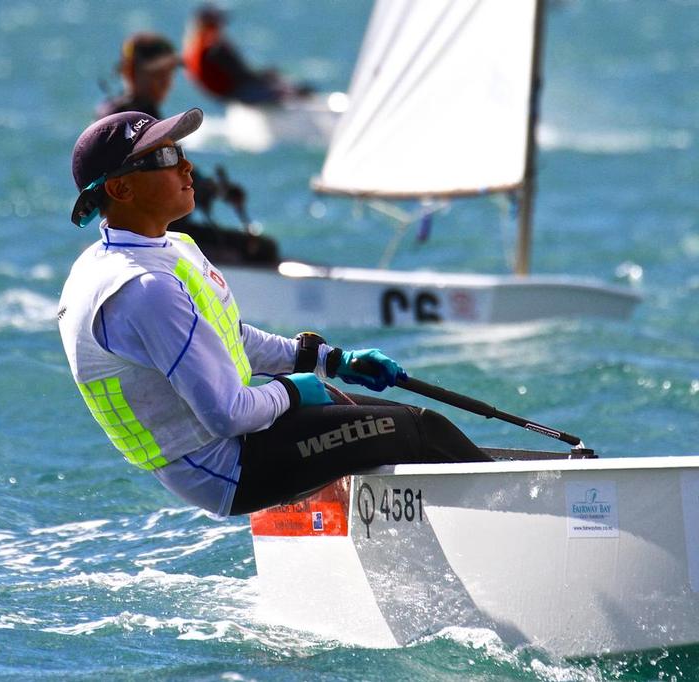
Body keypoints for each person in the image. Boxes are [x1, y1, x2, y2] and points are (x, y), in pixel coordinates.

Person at [58, 108, 492, 517]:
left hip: (241, 442)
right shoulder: (142, 290)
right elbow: (226, 414)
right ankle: (509, 513)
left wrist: (330, 361)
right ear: (120, 189)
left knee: (400, 425)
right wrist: (293, 392)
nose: (186, 167)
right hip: (227, 468)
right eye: (165, 157)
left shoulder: (171, 249)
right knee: (418, 432)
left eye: (181, 152)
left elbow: (233, 338)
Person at [95, 32, 276, 266]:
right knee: (262, 250)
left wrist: (216, 189)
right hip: (150, 235)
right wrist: (209, 189)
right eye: (157, 75)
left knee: (261, 248)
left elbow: (164, 170)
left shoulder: (141, 114)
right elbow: (149, 180)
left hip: (158, 229)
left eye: (169, 74)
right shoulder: (124, 123)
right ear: (130, 73)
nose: (166, 82)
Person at [183, 4, 313, 105]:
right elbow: (241, 76)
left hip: (228, 93)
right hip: (239, 92)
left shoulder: (193, 47)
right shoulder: (212, 48)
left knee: (271, 77)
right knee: (285, 89)